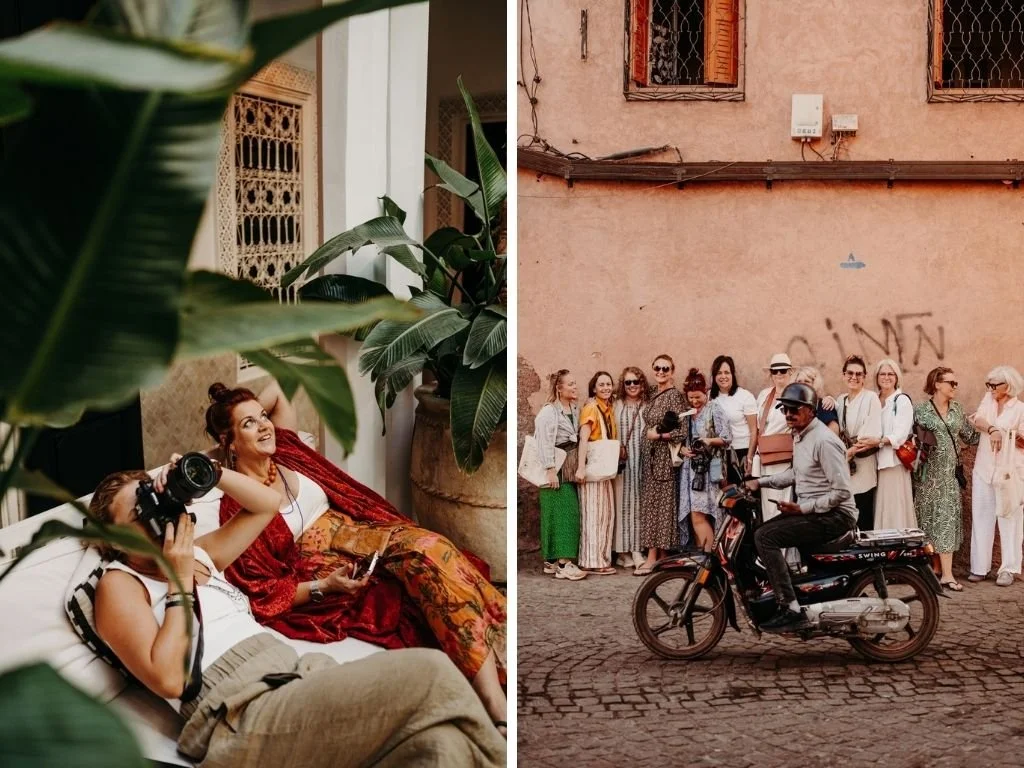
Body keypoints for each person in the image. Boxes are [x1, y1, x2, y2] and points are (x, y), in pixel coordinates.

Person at [88, 461, 505, 767]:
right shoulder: (118, 583)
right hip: (242, 716)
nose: (155, 516)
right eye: (139, 514)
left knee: (440, 747)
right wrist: (179, 580)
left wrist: (207, 471)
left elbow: (265, 504)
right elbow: (168, 677)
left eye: (153, 499)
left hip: (299, 677)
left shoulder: (199, 554)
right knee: (429, 673)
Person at [203, 383, 507, 732]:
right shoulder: (237, 509)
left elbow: (278, 390)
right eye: (249, 424)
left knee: (435, 548)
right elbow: (266, 593)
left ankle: (497, 675)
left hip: (361, 530)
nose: (264, 426)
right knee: (425, 566)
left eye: (262, 417)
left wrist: (234, 408)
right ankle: (494, 700)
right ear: (229, 442)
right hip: (323, 560)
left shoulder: (286, 448)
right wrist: (324, 587)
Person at [749, 383, 859, 631]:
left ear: (811, 410)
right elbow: (795, 474)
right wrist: (757, 482)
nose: (788, 414)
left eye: (794, 410)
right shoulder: (801, 435)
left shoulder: (824, 441)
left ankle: (790, 607)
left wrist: (803, 509)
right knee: (764, 530)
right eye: (785, 409)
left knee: (765, 537)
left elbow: (841, 491)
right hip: (818, 511)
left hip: (836, 515)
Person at [912, 367, 978, 592]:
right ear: (937, 384)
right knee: (929, 522)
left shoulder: (957, 409)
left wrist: (992, 427)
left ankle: (947, 575)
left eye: (955, 382)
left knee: (947, 521)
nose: (955, 387)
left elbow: (970, 435)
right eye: (951, 382)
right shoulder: (921, 410)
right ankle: (937, 569)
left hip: (949, 475)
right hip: (927, 475)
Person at [967, 366, 1024, 586]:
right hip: (984, 467)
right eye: (988, 384)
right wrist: (993, 429)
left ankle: (1008, 569)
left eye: (994, 385)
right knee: (981, 515)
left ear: (1008, 386)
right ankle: (979, 567)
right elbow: (977, 419)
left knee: (1010, 518)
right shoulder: (988, 401)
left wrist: (1009, 436)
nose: (990, 388)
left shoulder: (1020, 409)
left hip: (1010, 471)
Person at [636, 355, 688, 575]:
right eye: (657, 367)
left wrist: (658, 436)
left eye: (665, 368)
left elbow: (681, 430)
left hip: (663, 460)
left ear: (672, 371)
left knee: (660, 508)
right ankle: (664, 556)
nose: (661, 371)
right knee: (655, 506)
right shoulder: (654, 394)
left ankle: (651, 557)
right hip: (650, 460)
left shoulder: (675, 396)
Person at [535, 369, 586, 580]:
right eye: (571, 384)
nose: (575, 387)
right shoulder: (548, 412)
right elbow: (543, 441)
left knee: (560, 515)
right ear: (559, 388)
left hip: (567, 468)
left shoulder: (573, 409)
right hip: (555, 470)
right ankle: (564, 564)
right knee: (565, 515)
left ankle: (553, 562)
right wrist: (550, 470)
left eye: (575, 383)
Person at [677, 368, 731, 552]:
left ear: (705, 392)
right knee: (698, 517)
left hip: (709, 468)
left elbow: (727, 437)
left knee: (699, 516)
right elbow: (681, 438)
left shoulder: (714, 408)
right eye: (690, 398)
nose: (694, 401)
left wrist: (708, 440)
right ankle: (705, 557)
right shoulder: (687, 412)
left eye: (697, 397)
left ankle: (711, 558)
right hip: (690, 469)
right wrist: (683, 449)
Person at [575, 371, 618, 574]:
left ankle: (601, 558)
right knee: (593, 515)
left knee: (604, 515)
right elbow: (584, 439)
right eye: (601, 384)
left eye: (608, 384)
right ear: (594, 388)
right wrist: (581, 468)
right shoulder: (591, 409)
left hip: (604, 469)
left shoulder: (607, 408)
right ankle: (590, 560)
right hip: (593, 468)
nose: (606, 388)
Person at [835, 354, 883, 530]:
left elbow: (869, 434)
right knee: (846, 517)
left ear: (864, 377)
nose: (853, 377)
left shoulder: (870, 398)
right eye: (850, 373)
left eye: (858, 374)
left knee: (862, 516)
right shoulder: (840, 400)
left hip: (863, 464)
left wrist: (850, 452)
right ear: (843, 375)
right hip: (845, 466)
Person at [750, 353, 797, 525]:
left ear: (790, 372)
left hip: (784, 458)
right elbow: (757, 427)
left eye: (782, 370)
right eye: (775, 371)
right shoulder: (764, 395)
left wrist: (830, 400)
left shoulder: (795, 393)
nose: (778, 375)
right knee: (767, 505)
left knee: (782, 504)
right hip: (764, 457)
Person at [874, 358, 917, 531]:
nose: (886, 377)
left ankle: (898, 547)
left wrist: (878, 441)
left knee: (895, 509)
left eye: (890, 374)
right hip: (876, 463)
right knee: (882, 507)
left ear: (896, 377)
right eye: (882, 374)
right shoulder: (874, 400)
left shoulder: (901, 401)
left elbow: (899, 436)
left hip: (894, 463)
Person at [613, 366, 648, 569]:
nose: (632, 386)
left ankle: (636, 549)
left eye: (636, 381)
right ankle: (622, 551)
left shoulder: (647, 406)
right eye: (628, 382)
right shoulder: (617, 405)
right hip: (622, 463)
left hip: (642, 461)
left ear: (641, 383)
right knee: (621, 505)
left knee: (638, 504)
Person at [710, 355, 758, 484]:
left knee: (741, 497)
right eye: (719, 373)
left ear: (733, 374)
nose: (723, 376)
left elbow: (754, 430)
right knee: (722, 499)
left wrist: (750, 457)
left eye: (727, 372)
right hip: (717, 455)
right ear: (714, 376)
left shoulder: (745, 396)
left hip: (740, 453)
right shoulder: (710, 397)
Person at [793, 366, 840, 436]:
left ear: (815, 384)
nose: (802, 385)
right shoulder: (794, 406)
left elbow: (833, 434)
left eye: (807, 381)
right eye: (799, 381)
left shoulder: (824, 405)